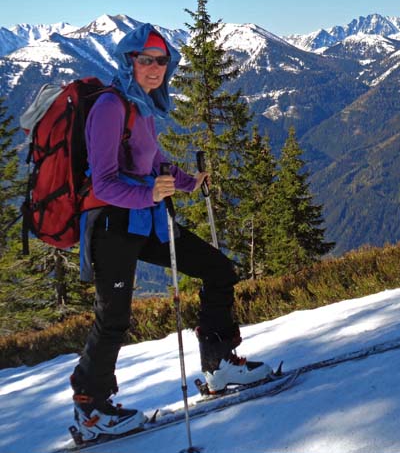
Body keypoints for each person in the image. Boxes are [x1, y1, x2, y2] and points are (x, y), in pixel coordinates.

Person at [70, 24, 272, 441]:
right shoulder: (110, 107)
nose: (155, 68)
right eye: (146, 59)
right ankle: (91, 410)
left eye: (162, 60)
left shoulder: (142, 106)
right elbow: (104, 183)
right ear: (129, 61)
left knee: (218, 269)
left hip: (145, 221)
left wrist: (187, 181)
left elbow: (154, 163)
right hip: (111, 226)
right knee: (114, 318)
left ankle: (218, 364)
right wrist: (150, 193)